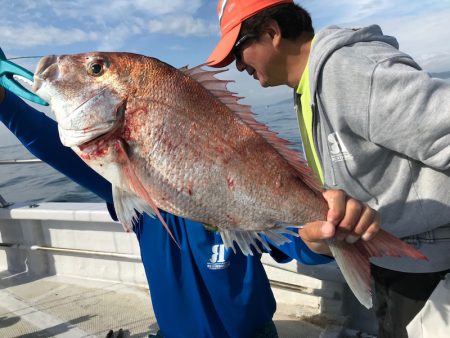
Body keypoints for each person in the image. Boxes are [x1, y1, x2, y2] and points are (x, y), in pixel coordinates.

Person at [0, 52, 380, 337]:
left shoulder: (231, 186)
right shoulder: (129, 184)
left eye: (97, 69)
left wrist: (322, 238)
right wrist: (6, 104)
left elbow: (295, 240)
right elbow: (51, 145)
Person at [206, 0, 450, 337]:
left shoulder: (346, 71)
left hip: (430, 270)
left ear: (272, 32)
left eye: (238, 50)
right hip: (391, 263)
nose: (237, 66)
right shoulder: (308, 89)